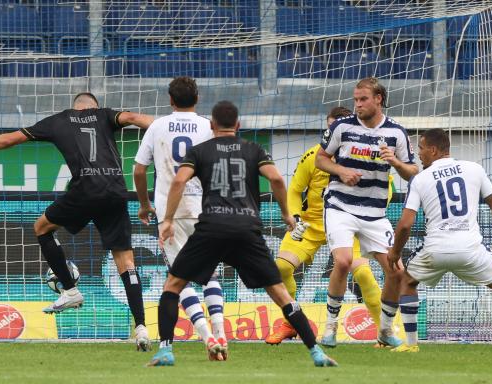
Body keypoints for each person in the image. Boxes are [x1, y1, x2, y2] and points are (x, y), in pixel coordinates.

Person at [0, 93, 155, 351]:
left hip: (85, 190)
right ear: (95, 106)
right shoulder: (105, 115)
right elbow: (135, 117)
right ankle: (141, 327)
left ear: (75, 106)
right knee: (125, 261)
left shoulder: (60, 120)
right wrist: (165, 126)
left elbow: (11, 139)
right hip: (115, 190)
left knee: (42, 227)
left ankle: (69, 289)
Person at [147, 101, 337, 367]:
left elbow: (178, 181)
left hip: (211, 228)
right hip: (246, 229)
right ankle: (316, 351)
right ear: (238, 126)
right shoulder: (253, 149)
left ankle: (166, 351)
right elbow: (277, 180)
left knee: (173, 286)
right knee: (281, 293)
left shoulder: (199, 151)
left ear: (212, 126)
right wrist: (286, 214)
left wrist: (167, 219)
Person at [388, 128, 492, 352]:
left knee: (407, 281)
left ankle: (410, 345)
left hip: (435, 250)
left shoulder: (420, 179)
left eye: (421, 148)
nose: (419, 154)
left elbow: (406, 224)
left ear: (434, 149)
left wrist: (395, 252)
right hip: (470, 249)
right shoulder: (474, 169)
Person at [265, 106, 388, 345]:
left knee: (363, 274)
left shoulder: (364, 155)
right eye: (330, 128)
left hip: (347, 223)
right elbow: (294, 190)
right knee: (280, 268)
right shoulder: (313, 156)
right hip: (311, 226)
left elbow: (388, 188)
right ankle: (290, 323)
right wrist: (296, 217)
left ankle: (385, 333)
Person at [315, 77, 419, 348]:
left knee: (396, 271)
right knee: (344, 261)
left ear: (378, 99)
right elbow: (321, 159)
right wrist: (341, 170)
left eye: (363, 99)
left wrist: (395, 161)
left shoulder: (396, 133)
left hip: (375, 212)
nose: (358, 104)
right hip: (340, 205)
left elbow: (412, 172)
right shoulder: (342, 126)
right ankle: (329, 329)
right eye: (355, 100)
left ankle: (384, 331)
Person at [133, 76, 227, 357]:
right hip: (204, 209)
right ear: (197, 99)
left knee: (178, 276)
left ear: (170, 100)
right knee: (210, 272)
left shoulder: (158, 125)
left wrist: (144, 204)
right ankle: (221, 334)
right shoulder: (209, 127)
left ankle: (206, 337)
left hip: (169, 212)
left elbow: (139, 170)